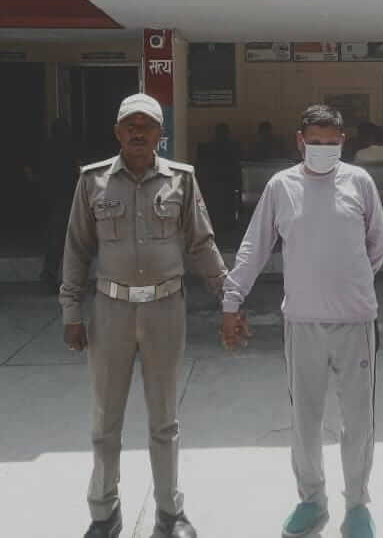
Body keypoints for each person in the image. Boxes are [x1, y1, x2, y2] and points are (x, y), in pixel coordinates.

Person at [60, 93, 242, 538]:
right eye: (130, 124)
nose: (138, 132)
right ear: (117, 132)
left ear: (161, 133)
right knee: (106, 422)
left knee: (164, 421)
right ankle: (104, 514)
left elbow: (201, 243)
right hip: (111, 312)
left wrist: (229, 298)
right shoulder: (93, 181)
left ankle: (170, 513)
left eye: (146, 125)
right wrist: (71, 311)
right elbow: (77, 249)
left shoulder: (181, 180)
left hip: (165, 310)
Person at [222, 104, 383, 538]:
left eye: (331, 143)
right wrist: (232, 299)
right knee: (306, 420)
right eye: (315, 142)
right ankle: (312, 500)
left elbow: (377, 245)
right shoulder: (282, 187)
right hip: (302, 323)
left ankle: (357, 505)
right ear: (300, 141)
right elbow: (254, 247)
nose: (323, 149)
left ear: (343, 142)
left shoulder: (360, 182)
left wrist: (348, 282)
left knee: (358, 420)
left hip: (355, 322)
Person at [39, 117, 79, 291]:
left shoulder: (48, 148)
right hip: (66, 198)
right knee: (64, 239)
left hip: (55, 198)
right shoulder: (69, 148)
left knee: (56, 239)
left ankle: (50, 275)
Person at [195, 122, 241, 242]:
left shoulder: (209, 148)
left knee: (218, 213)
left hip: (217, 186)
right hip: (222, 185)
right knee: (222, 213)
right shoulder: (230, 148)